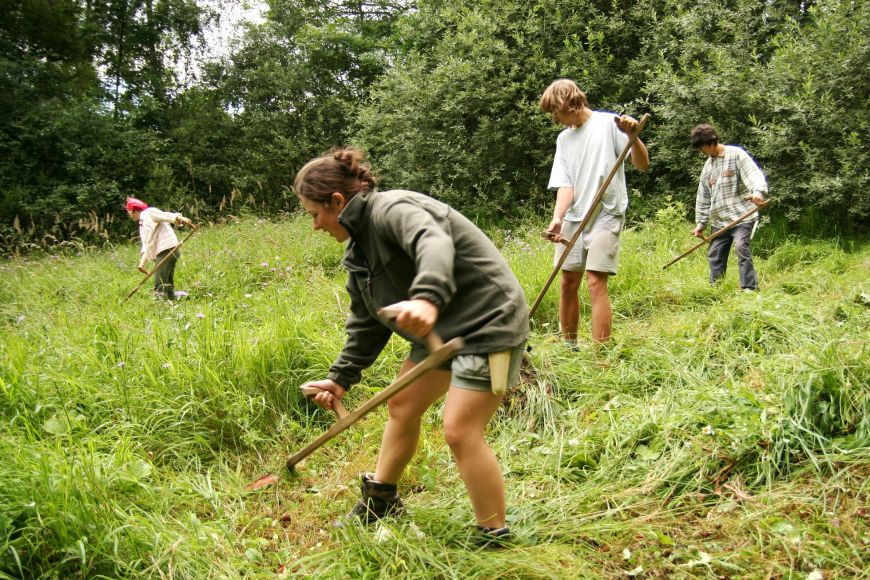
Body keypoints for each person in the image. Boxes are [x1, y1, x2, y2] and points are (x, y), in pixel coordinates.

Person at [294, 147, 529, 545]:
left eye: (314, 214)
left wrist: (425, 297)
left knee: (459, 429)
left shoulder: (393, 208)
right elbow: (367, 322)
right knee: (402, 405)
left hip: (490, 321)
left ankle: (494, 533)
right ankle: (381, 499)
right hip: (440, 332)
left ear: (337, 202)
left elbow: (432, 241)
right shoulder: (358, 253)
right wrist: (340, 379)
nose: (315, 226)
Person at [539, 79, 649, 345]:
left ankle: (602, 355)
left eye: (556, 111)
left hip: (607, 212)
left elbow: (642, 164)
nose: (555, 118)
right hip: (575, 217)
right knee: (567, 282)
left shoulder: (608, 124)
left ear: (569, 102)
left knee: (595, 281)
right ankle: (570, 347)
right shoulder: (564, 138)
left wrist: (633, 137)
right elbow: (566, 183)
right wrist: (558, 218)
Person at [690, 124, 767, 290]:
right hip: (720, 221)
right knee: (715, 253)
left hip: (743, 216)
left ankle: (749, 288)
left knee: (741, 247)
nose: (702, 151)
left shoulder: (736, 155)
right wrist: (701, 223)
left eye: (702, 147)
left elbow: (753, 174)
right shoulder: (708, 167)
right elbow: (703, 195)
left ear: (711, 142)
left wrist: (758, 192)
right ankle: (716, 289)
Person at [125, 197, 193, 300]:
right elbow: (146, 244)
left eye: (128, 211)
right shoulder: (142, 222)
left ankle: (161, 306)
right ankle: (180, 298)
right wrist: (142, 264)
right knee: (166, 284)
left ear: (133, 210)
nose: (128, 214)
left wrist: (181, 219)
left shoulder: (149, 212)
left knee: (160, 285)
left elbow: (165, 215)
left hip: (168, 250)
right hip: (162, 253)